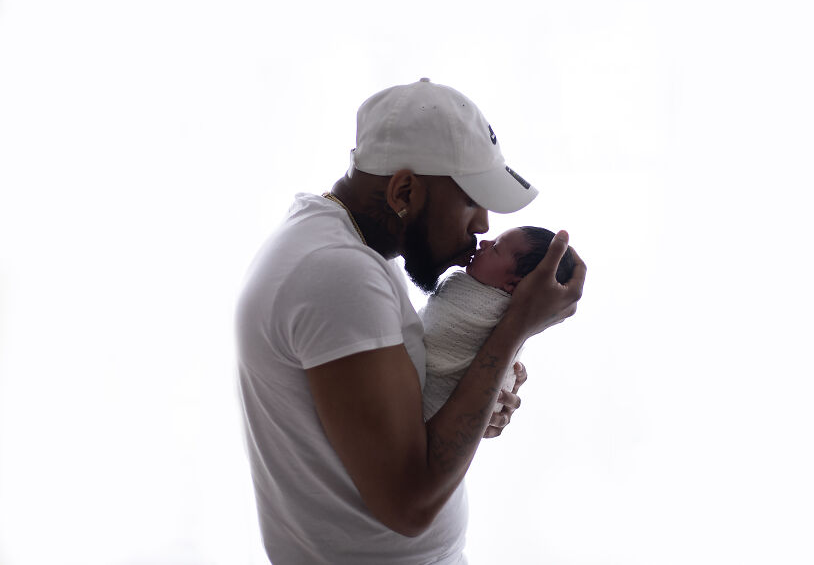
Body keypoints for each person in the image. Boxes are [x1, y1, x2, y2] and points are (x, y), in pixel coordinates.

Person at [236, 78, 586, 564]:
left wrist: (477, 397)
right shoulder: (340, 274)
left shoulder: (332, 244)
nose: (483, 225)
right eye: (471, 200)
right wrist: (514, 329)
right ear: (404, 190)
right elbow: (411, 504)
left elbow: (399, 423)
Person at [420, 226, 576, 421]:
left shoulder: (463, 290)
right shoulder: (519, 321)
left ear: (513, 284)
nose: (483, 242)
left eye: (495, 248)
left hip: (431, 411)